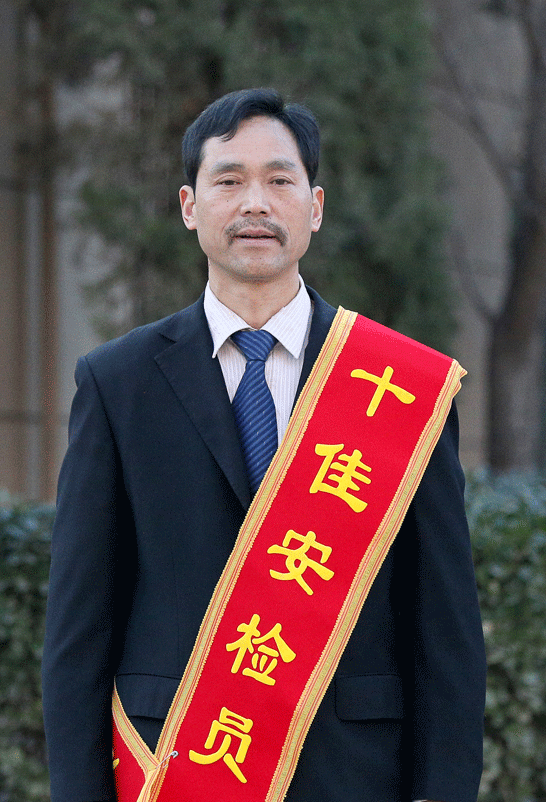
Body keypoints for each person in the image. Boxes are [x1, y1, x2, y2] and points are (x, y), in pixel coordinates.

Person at [42, 88, 486, 802]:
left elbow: (445, 626)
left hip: (356, 774)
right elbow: (79, 626)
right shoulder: (118, 383)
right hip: (180, 765)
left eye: (280, 180)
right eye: (229, 181)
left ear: (315, 207)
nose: (256, 203)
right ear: (190, 206)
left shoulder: (398, 386)